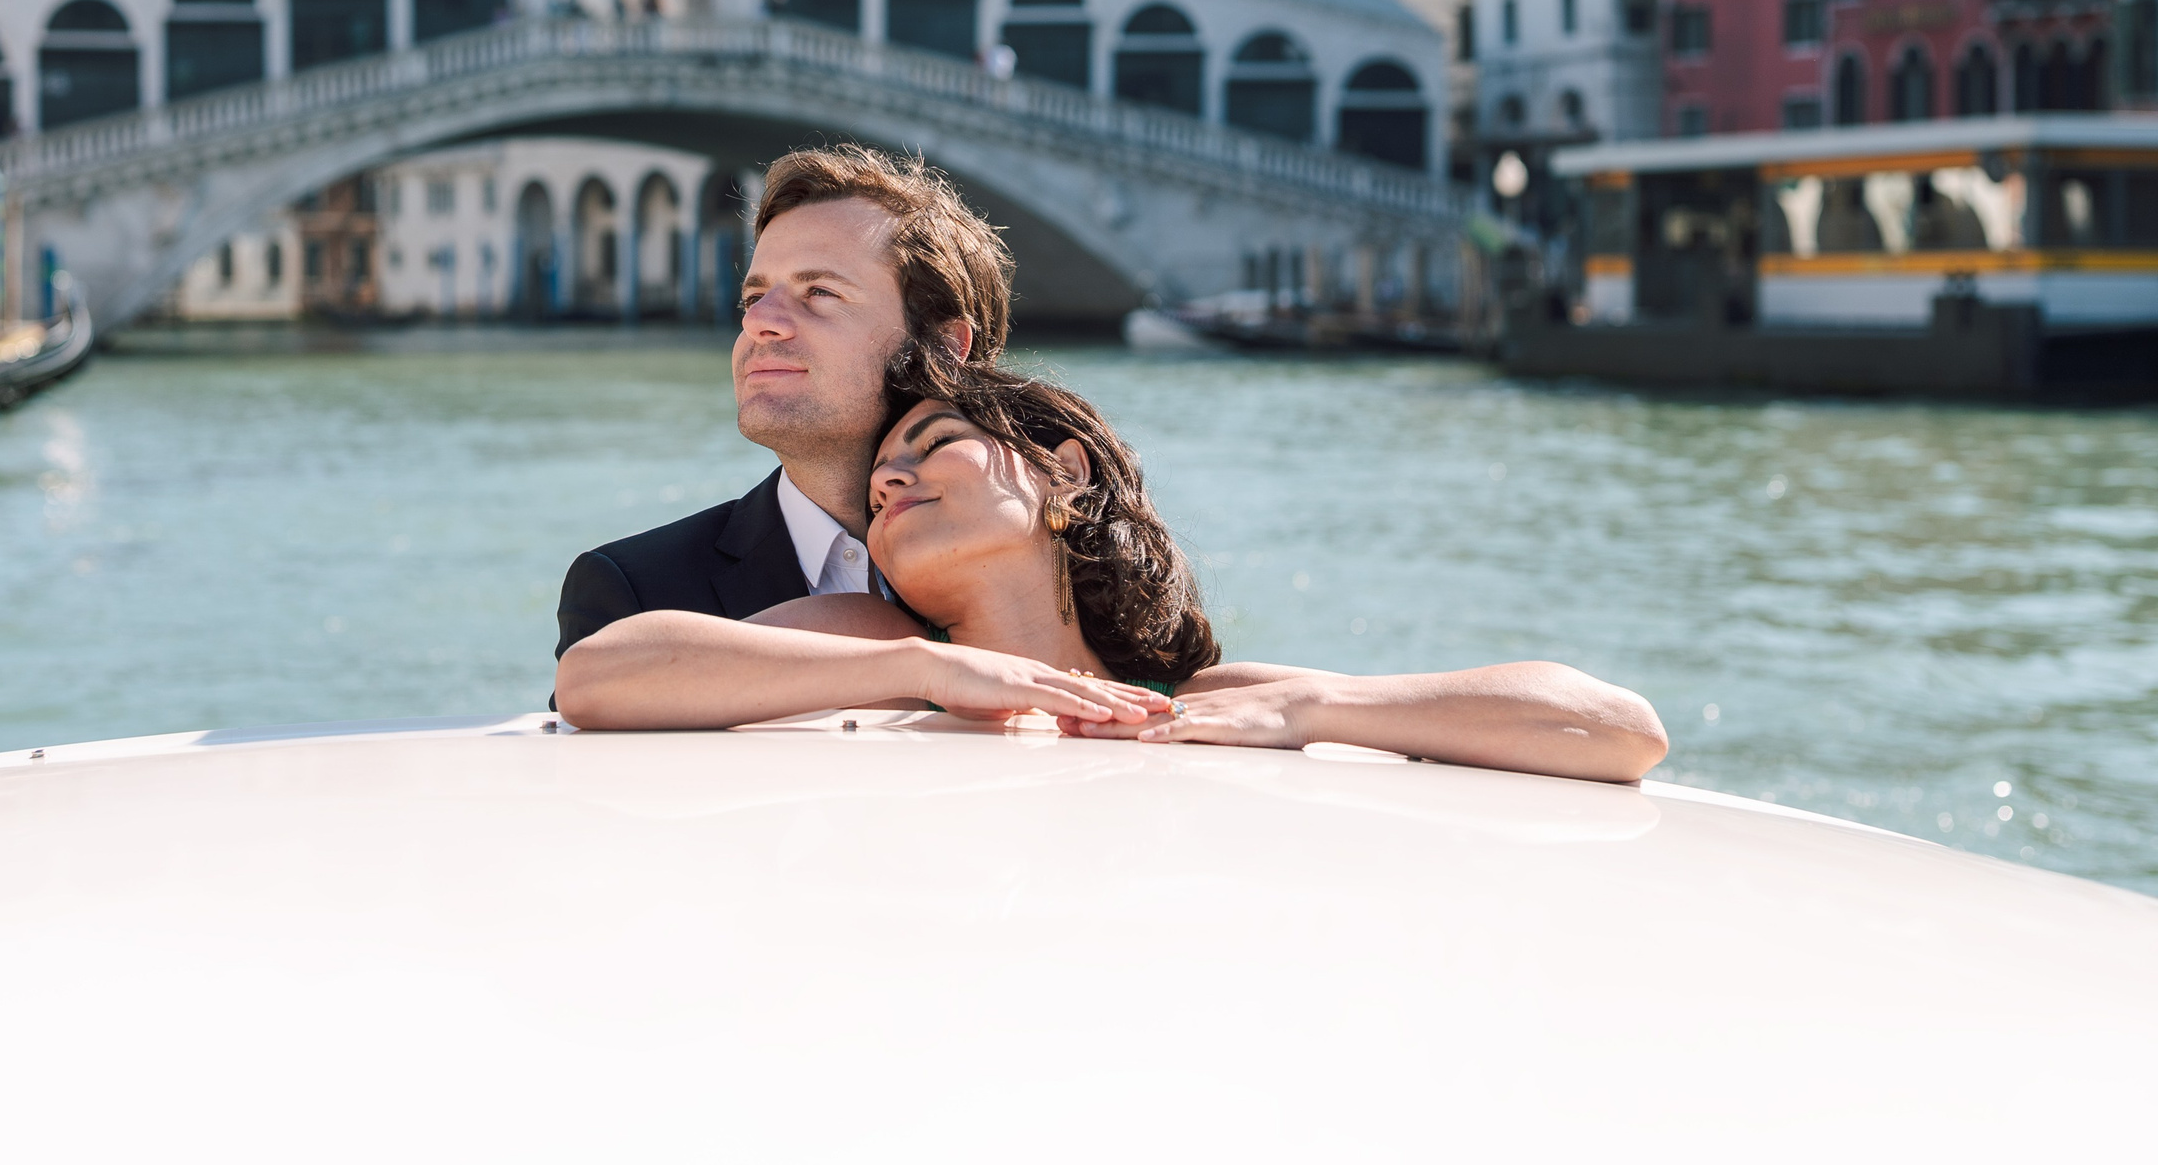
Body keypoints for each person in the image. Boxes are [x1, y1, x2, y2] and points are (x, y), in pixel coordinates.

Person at [556, 367, 1670, 785]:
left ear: (1063, 473)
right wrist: (927, 672)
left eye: (933, 444)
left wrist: (1318, 708)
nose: (889, 477)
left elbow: (1619, 730)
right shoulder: (871, 639)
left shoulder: (1200, 700)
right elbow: (598, 677)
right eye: (882, 473)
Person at [551, 145, 1012, 667]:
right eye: (753, 298)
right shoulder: (637, 593)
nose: (758, 322)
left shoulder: (1059, 561)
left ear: (945, 347)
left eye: (819, 292)